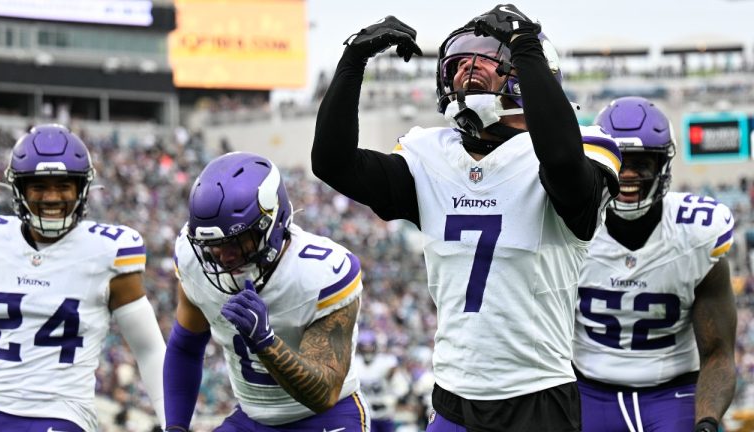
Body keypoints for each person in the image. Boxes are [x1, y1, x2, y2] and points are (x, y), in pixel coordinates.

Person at [311, 4, 622, 431]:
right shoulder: (431, 155)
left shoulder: (580, 148)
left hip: (535, 399)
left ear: (526, 74)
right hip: (453, 398)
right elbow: (332, 162)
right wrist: (352, 61)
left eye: (487, 59)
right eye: (458, 62)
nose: (467, 69)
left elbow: (563, 161)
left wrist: (525, 40)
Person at [164, 152, 369, 431]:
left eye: (236, 241)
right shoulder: (193, 258)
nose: (224, 257)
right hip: (252, 418)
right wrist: (175, 426)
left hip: (325, 418)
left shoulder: (321, 271)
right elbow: (185, 346)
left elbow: (325, 394)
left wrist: (266, 341)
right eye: (215, 245)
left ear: (271, 223)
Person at [0, 124, 166, 432]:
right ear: (19, 190)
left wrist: (171, 422)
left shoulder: (108, 251)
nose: (52, 197)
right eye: (39, 186)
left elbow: (148, 348)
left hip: (64, 414)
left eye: (63, 186)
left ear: (81, 189)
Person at [573, 97, 737, 432]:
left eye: (642, 164)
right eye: (619, 162)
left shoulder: (697, 232)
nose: (629, 175)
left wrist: (706, 422)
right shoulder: (569, 226)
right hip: (586, 388)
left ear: (663, 166)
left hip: (671, 389)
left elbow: (719, 352)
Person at [355, 330, 400, 432]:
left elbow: (397, 384)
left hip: (384, 413)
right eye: (364, 348)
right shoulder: (355, 364)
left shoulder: (385, 362)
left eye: (369, 347)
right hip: (365, 414)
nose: (367, 350)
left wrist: (388, 401)